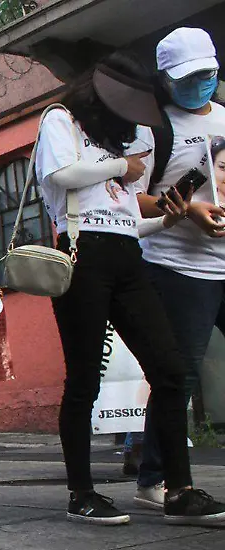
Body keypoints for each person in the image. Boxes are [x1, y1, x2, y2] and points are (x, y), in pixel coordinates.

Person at [35, 51, 225, 525]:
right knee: (83, 379)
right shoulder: (61, 120)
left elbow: (126, 223)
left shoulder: (129, 141)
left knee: (170, 368)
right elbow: (59, 176)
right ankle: (82, 492)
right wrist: (120, 167)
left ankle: (179, 490)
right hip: (81, 255)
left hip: (126, 256)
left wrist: (167, 219)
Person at [132, 28, 225, 511]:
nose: (198, 85)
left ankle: (157, 473)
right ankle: (157, 478)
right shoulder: (155, 129)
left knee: (178, 376)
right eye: (187, 78)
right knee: (178, 377)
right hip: (178, 268)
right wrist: (187, 210)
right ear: (165, 80)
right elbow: (132, 198)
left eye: (206, 75)